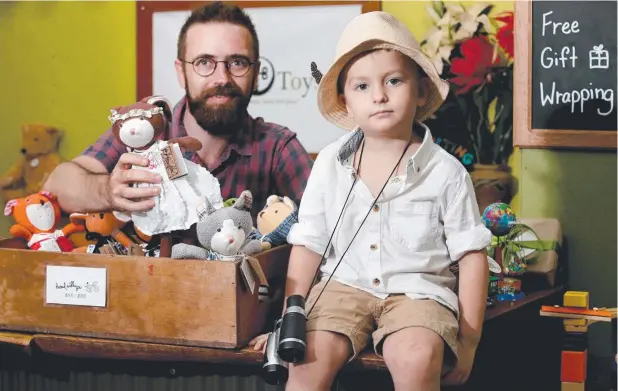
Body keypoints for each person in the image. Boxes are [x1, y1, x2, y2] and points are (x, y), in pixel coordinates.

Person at [250, 11, 492, 391]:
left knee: (416, 356)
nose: (379, 95)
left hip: (418, 291)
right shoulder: (329, 163)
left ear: (421, 90)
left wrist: (470, 340)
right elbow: (309, 243)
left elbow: (471, 254)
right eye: (362, 86)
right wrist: (290, 319)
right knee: (306, 361)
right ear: (345, 101)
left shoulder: (446, 172)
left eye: (393, 80)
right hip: (342, 287)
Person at [43, 2, 313, 221]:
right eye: (203, 62)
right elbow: (57, 185)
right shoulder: (144, 129)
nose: (221, 78)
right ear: (180, 72)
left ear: (255, 75)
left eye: (238, 62)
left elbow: (327, 228)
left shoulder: (277, 148)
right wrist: (108, 191)